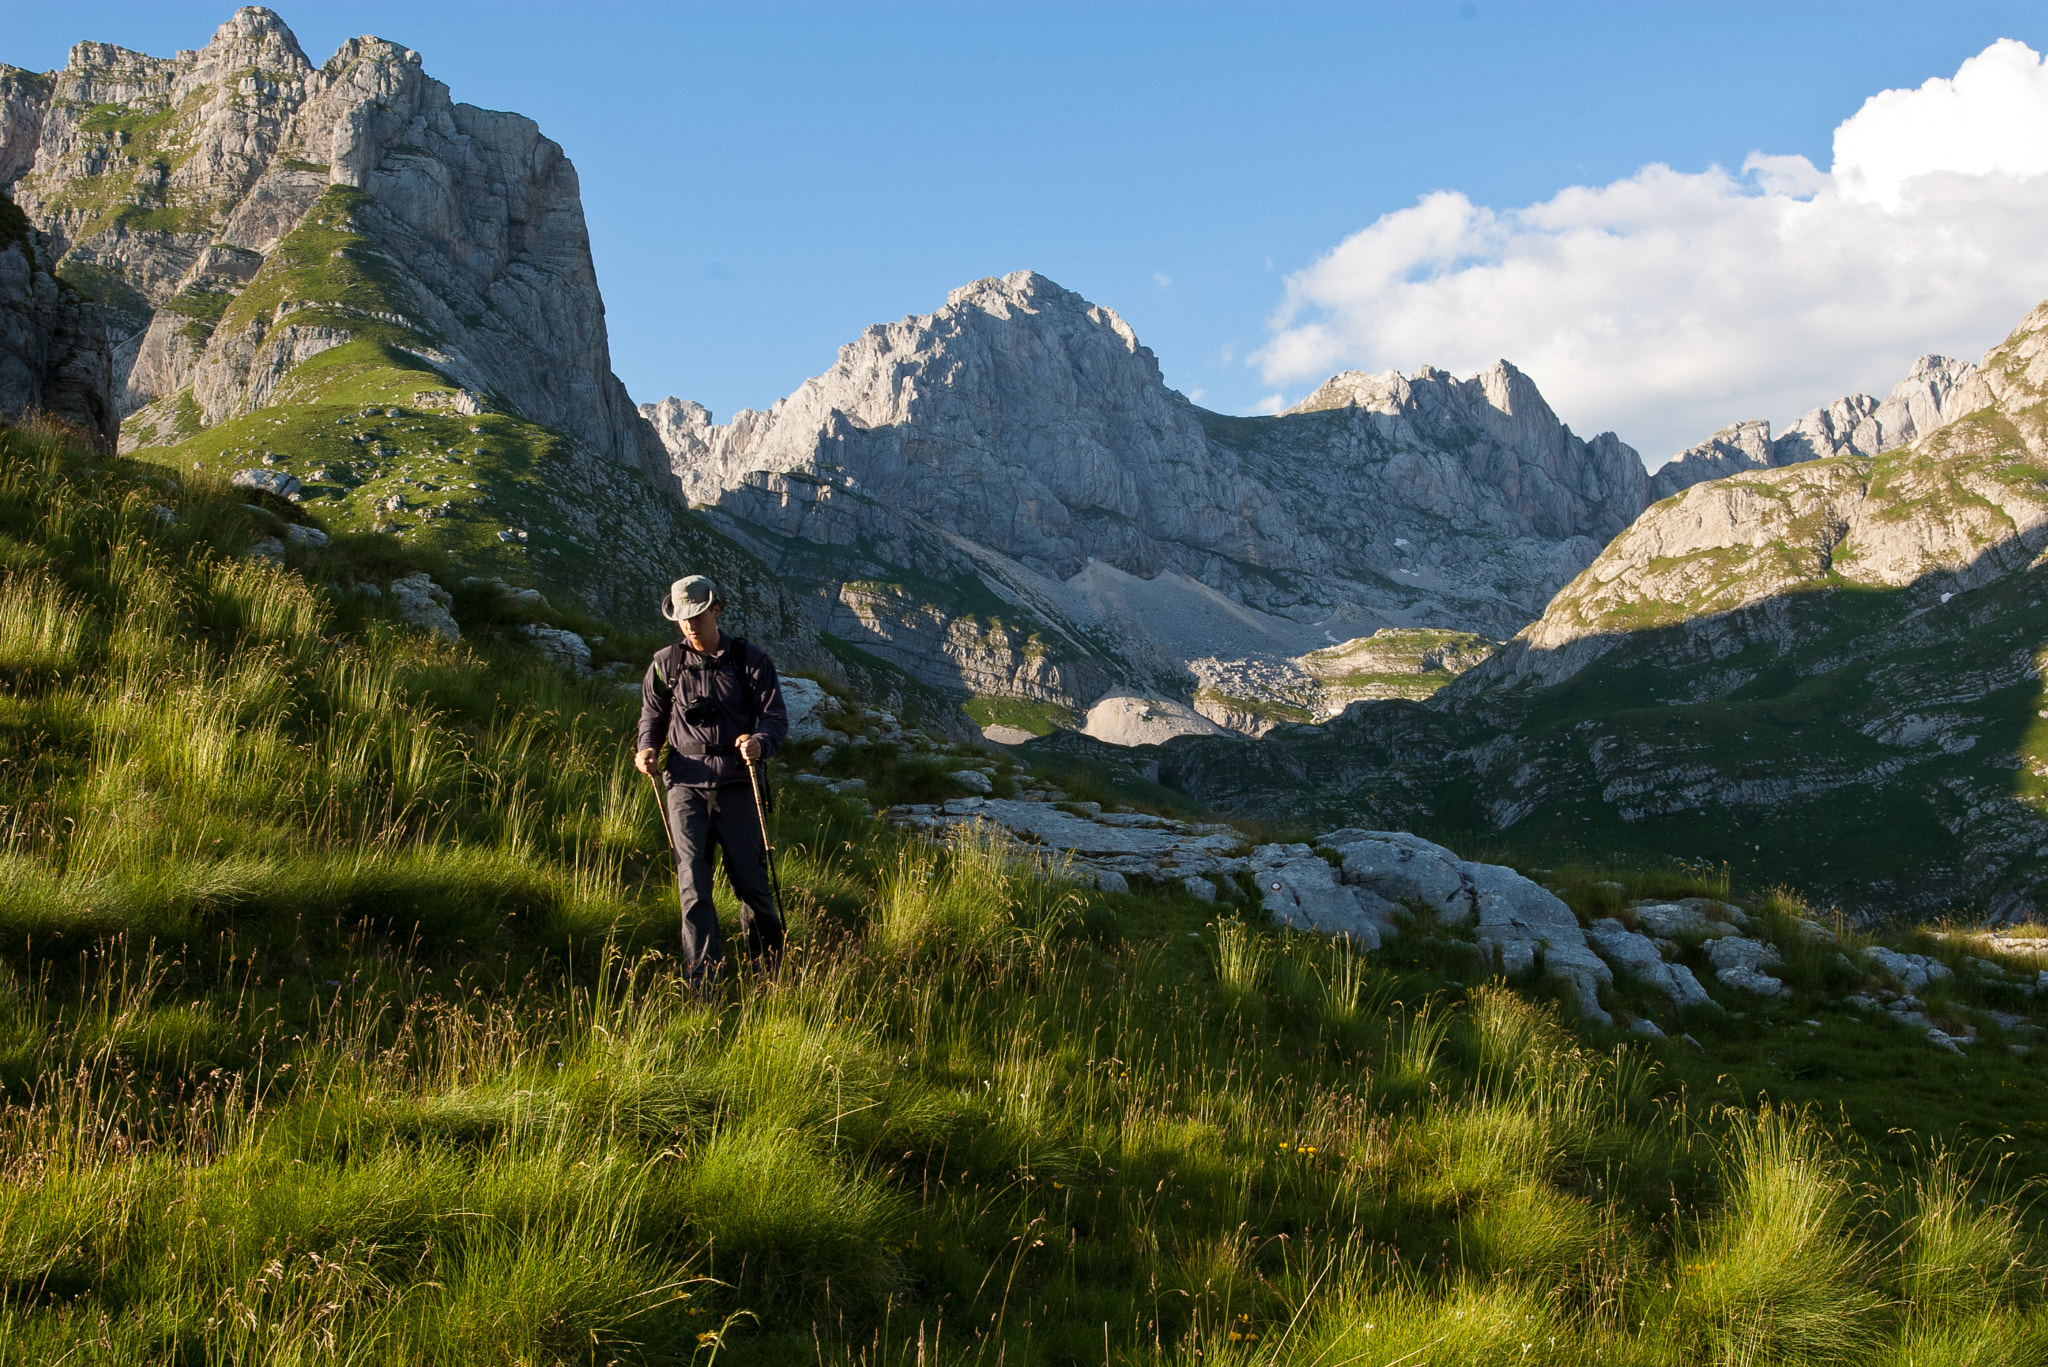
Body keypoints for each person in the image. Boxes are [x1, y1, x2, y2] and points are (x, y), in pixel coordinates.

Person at [635, 574, 789, 985]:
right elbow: (652, 715)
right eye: (682, 619)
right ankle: (703, 983)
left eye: (697, 616)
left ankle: (769, 976)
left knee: (753, 885)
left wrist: (759, 742)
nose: (689, 626)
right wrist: (646, 748)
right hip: (684, 782)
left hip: (737, 783)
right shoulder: (665, 663)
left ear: (715, 610)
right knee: (693, 887)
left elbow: (775, 718)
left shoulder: (750, 660)